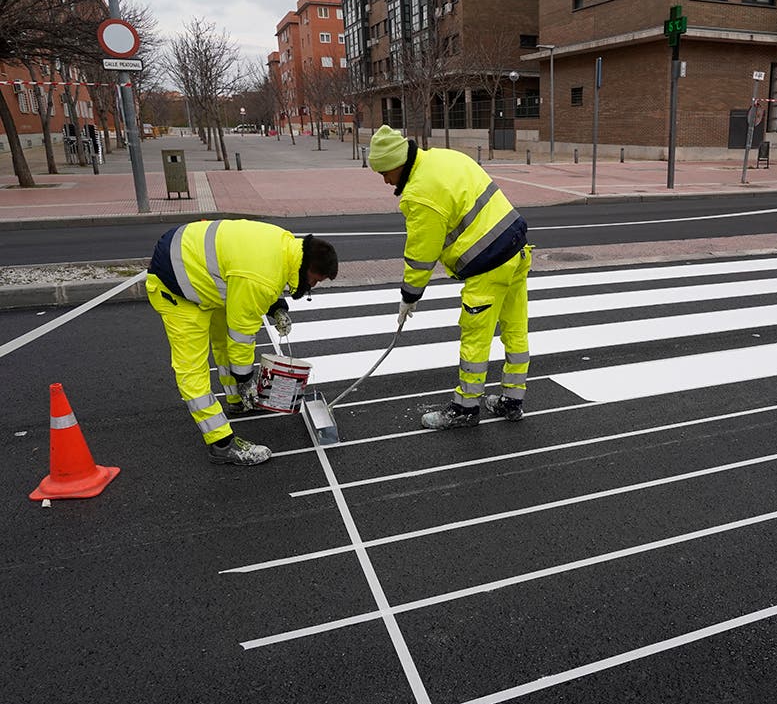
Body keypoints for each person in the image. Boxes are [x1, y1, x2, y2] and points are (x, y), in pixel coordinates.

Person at [367, 124, 532, 430]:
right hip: (518, 251)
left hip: (489, 265)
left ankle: (465, 409)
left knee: (475, 338)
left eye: (384, 173)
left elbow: (421, 254)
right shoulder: (443, 158)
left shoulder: (419, 194)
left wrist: (409, 296)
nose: (385, 181)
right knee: (515, 329)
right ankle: (512, 401)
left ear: (396, 164)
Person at [145, 220, 339, 465]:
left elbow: (258, 277)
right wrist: (245, 379)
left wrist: (277, 307)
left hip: (203, 270)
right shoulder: (262, 278)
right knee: (192, 368)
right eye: (314, 280)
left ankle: (236, 402)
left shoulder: (288, 246)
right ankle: (221, 443)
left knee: (222, 342)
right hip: (177, 286)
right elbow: (242, 334)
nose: (312, 286)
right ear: (306, 266)